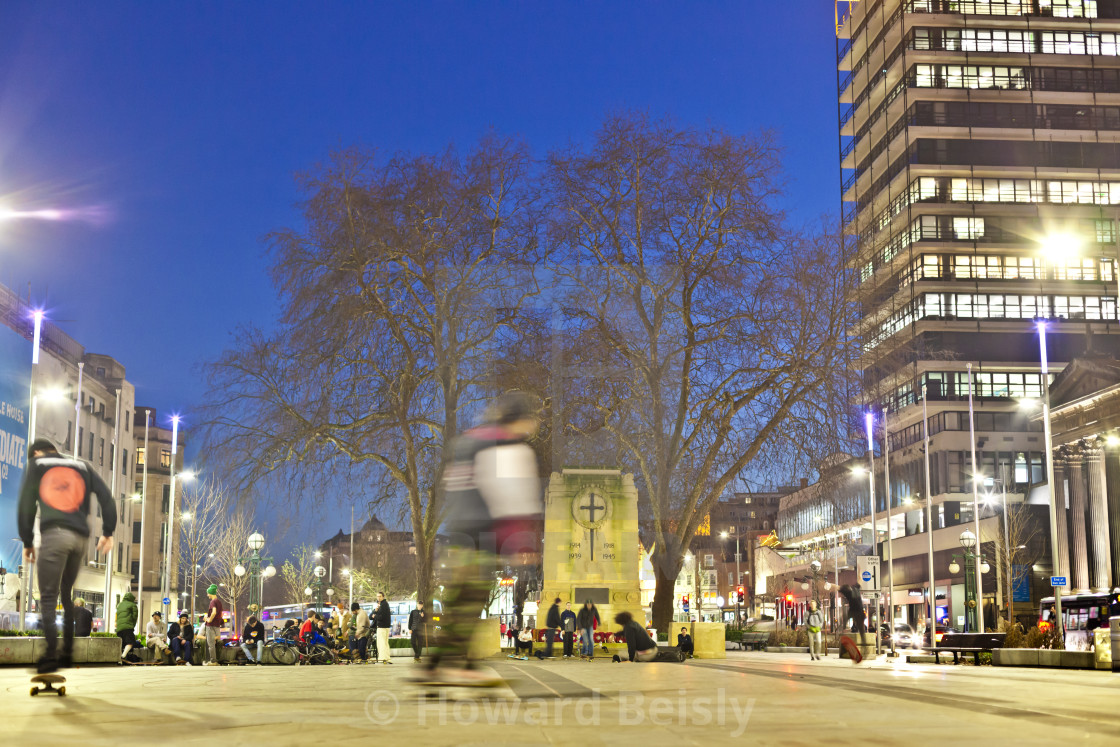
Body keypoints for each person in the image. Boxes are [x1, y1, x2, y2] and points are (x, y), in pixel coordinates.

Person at [432, 392, 542, 682]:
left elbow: (452, 486)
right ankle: (456, 667)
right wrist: (519, 542)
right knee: (470, 601)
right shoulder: (506, 446)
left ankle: (434, 668)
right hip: (481, 535)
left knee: (460, 603)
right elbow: (510, 496)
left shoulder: (468, 441)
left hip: (458, 532)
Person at [17, 438, 117, 673]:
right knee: (66, 592)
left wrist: (28, 540)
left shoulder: (37, 464)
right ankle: (68, 651)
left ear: (37, 453)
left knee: (48, 597)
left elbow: (26, 505)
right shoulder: (82, 466)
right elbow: (106, 497)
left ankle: (51, 654)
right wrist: (108, 532)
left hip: (54, 535)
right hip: (80, 540)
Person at [116, 591, 139, 664]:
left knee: (122, 644)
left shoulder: (119, 605)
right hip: (127, 627)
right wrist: (132, 625)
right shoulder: (133, 605)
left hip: (119, 628)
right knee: (130, 642)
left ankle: (120, 660)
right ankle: (122, 656)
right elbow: (135, 617)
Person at [203, 584, 224, 665]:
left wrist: (208, 619)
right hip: (217, 625)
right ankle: (214, 660)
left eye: (208, 593)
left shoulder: (213, 602)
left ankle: (213, 661)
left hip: (210, 625)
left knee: (211, 644)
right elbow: (221, 614)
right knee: (213, 643)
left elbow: (214, 612)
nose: (207, 594)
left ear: (211, 593)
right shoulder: (219, 602)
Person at [374, 591, 392, 664]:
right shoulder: (383, 604)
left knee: (381, 643)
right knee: (385, 643)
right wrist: (376, 611)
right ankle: (387, 658)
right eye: (377, 596)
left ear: (383, 597)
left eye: (380, 596)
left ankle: (382, 658)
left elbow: (382, 617)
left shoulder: (384, 605)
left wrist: (375, 616)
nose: (378, 598)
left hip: (382, 627)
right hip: (385, 626)